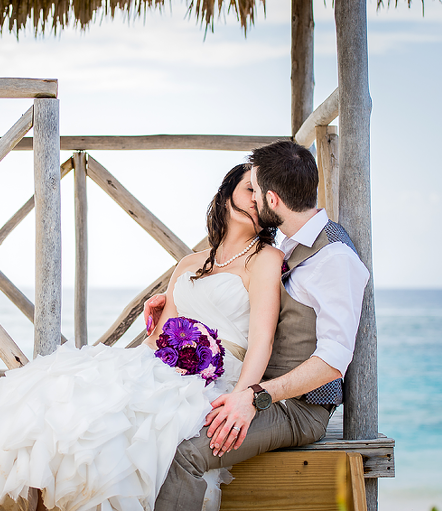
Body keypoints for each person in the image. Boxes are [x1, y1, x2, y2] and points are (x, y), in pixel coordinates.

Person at [0, 163, 284, 511]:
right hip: (158, 364)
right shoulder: (190, 263)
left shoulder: (265, 260)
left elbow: (261, 342)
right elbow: (159, 335)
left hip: (211, 381)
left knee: (124, 442)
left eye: (263, 193)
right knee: (67, 406)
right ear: (226, 195)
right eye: (249, 188)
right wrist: (126, 368)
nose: (256, 198)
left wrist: (241, 400)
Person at [147, 140, 370, 511]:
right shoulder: (290, 238)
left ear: (273, 199)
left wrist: (255, 397)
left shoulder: (334, 258)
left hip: (297, 407)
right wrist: (178, 308)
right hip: (255, 389)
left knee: (186, 453)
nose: (252, 198)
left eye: (256, 190)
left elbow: (334, 359)